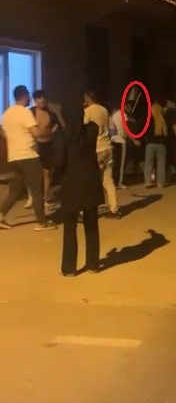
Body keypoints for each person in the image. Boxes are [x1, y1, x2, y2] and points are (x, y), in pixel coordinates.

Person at [0, 85, 57, 231]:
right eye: (29, 96)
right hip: (29, 156)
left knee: (15, 190)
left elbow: (4, 134)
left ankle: (0, 215)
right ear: (25, 96)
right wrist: (50, 132)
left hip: (14, 157)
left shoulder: (6, 114)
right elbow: (36, 133)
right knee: (37, 189)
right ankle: (41, 222)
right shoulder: (25, 113)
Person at [59, 107, 104, 277]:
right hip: (91, 181)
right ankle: (93, 264)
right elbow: (93, 124)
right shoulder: (92, 130)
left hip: (71, 182)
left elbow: (59, 161)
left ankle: (69, 268)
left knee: (69, 227)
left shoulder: (63, 135)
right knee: (91, 224)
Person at [83, 91, 120, 219]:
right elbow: (112, 129)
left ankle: (87, 210)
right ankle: (114, 209)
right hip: (108, 147)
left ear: (88, 98)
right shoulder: (104, 110)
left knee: (90, 180)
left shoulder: (88, 111)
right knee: (108, 180)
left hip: (96, 149)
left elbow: (83, 128)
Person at [29, 89, 60, 208]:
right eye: (39, 98)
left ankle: (46, 196)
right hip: (34, 145)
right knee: (34, 173)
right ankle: (32, 196)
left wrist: (53, 132)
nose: (42, 100)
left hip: (47, 145)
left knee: (47, 172)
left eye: (44, 97)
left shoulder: (52, 114)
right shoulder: (30, 112)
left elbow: (57, 129)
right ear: (35, 100)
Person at [144, 94, 168, 189]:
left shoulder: (148, 120)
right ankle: (160, 183)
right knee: (161, 163)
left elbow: (145, 132)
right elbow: (166, 134)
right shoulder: (162, 120)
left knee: (148, 163)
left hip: (150, 144)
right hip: (161, 144)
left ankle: (148, 182)